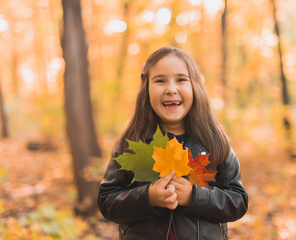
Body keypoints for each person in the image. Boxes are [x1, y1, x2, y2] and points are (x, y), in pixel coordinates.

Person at [98, 46, 248, 240]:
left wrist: (194, 197)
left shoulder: (214, 142)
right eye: (160, 81)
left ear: (195, 87)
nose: (171, 89)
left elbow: (238, 201)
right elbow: (107, 201)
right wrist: (147, 197)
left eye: (181, 80)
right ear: (146, 89)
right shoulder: (132, 143)